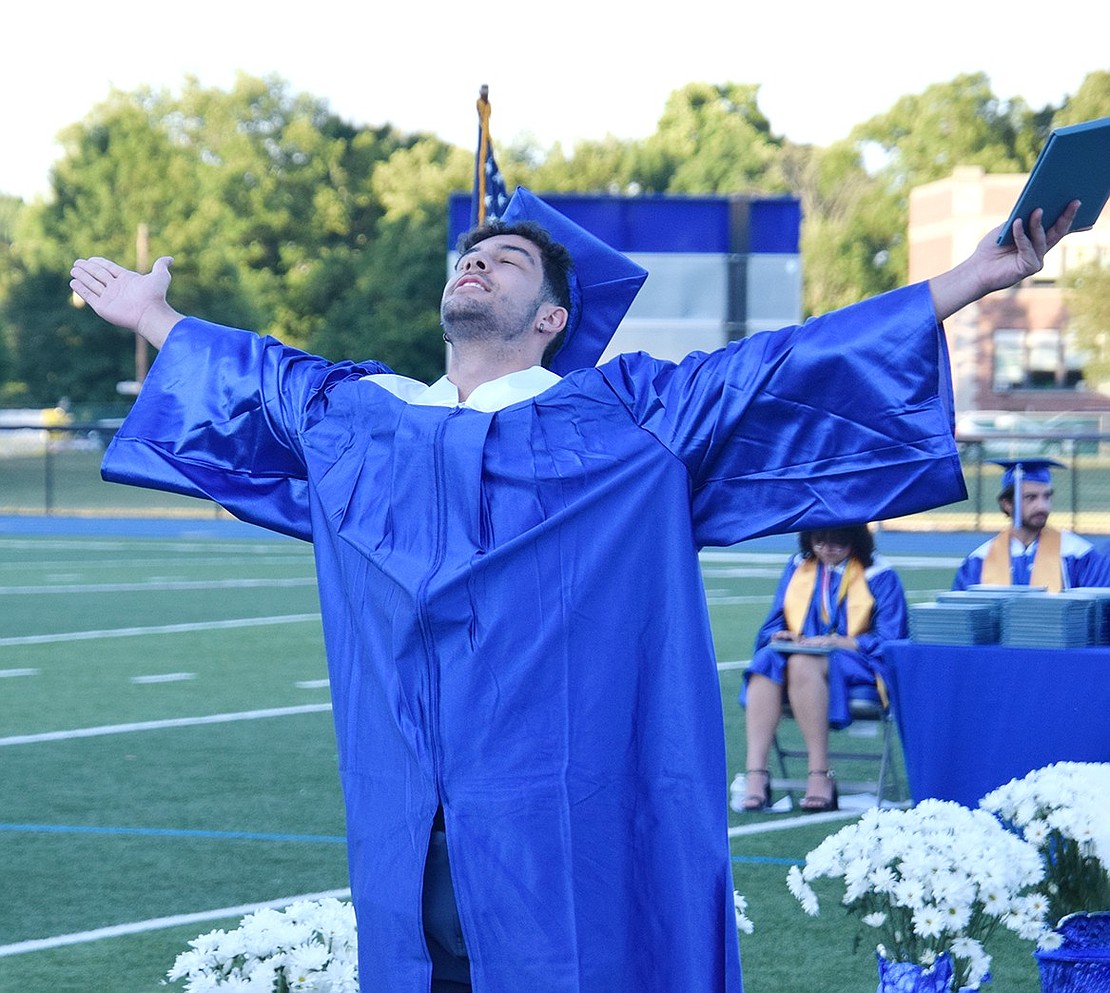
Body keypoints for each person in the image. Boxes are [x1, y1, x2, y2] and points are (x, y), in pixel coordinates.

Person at [70, 188, 1078, 993]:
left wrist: (968, 281)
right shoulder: (359, 416)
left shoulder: (622, 418)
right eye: (472, 254)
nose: (478, 261)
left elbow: (781, 367)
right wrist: (152, 315)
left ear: (552, 316)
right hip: (405, 815)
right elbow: (255, 377)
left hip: (561, 822)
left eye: (507, 259)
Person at [736, 525, 907, 813]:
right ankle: (757, 774)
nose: (828, 549)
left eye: (839, 542)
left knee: (804, 662)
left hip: (858, 662)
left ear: (856, 539)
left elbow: (892, 638)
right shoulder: (800, 568)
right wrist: (782, 634)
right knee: (766, 659)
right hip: (803, 653)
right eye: (819, 541)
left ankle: (819, 774)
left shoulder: (878, 573)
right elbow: (775, 622)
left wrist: (840, 641)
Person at [952, 458, 1110, 590]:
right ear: (1007, 504)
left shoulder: (1078, 554)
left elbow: (1098, 615)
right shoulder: (979, 560)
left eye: (1046, 497)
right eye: (1031, 497)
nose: (1042, 506)